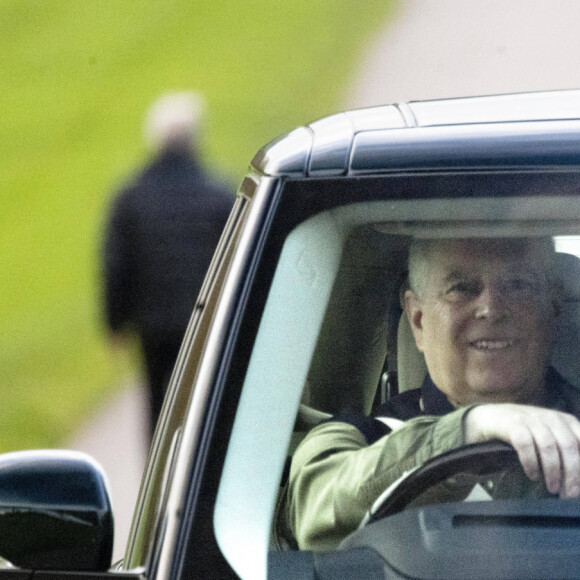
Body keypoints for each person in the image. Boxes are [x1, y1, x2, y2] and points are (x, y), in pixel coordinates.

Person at [278, 236, 580, 551]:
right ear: (418, 320)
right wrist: (466, 431)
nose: (491, 309)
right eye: (462, 288)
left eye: (518, 285)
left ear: (553, 309)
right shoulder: (363, 436)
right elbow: (313, 508)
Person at [102, 92, 233, 438]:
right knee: (198, 402)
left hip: (152, 324)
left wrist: (115, 322)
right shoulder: (218, 195)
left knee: (157, 405)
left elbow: (117, 265)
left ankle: (159, 480)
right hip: (201, 321)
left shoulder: (130, 198)